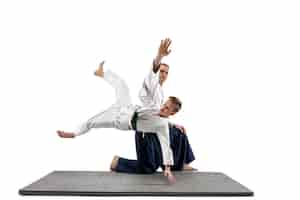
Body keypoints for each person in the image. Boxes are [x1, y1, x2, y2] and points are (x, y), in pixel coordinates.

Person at [57, 61, 182, 184]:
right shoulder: (157, 104)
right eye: (164, 104)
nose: (163, 107)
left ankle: (74, 133)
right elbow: (151, 83)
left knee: (94, 122)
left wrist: (167, 169)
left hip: (121, 121)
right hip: (127, 107)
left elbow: (166, 147)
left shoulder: (163, 126)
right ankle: (102, 73)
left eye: (166, 108)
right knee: (122, 84)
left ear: (171, 113)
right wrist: (159, 57)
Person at [110, 38, 196, 173]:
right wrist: (160, 55)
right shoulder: (152, 85)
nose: (164, 74)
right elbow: (153, 70)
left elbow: (160, 114)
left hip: (153, 126)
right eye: (162, 71)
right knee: (148, 167)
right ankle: (118, 162)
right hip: (145, 130)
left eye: (166, 72)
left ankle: (178, 165)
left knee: (178, 133)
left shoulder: (161, 92)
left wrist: (173, 125)